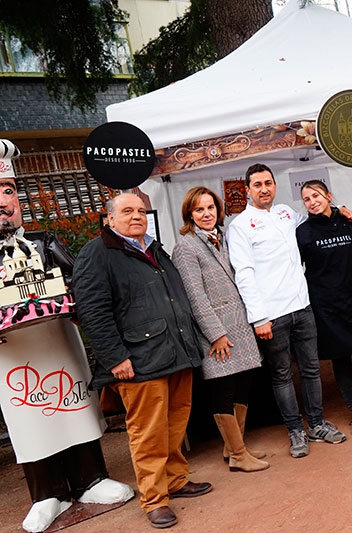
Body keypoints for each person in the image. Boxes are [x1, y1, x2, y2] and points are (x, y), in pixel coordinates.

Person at [0, 163, 134, 533]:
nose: (3, 202)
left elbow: (79, 282)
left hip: (59, 340)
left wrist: (75, 308)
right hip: (12, 354)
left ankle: (91, 479)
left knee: (73, 405)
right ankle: (46, 494)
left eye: (9, 190)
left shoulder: (44, 242)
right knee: (30, 422)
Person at [72, 193, 211, 530]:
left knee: (175, 424)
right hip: (137, 359)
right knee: (147, 433)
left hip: (175, 352)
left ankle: (175, 480)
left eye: (140, 211)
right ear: (110, 219)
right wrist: (115, 357)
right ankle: (155, 499)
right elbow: (92, 311)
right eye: (127, 211)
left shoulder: (153, 247)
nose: (136, 216)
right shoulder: (96, 253)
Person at [226, 164, 346, 458]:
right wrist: (258, 318)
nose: (264, 188)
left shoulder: (286, 214)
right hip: (272, 314)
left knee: (311, 369)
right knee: (281, 375)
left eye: (268, 182)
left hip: (302, 306)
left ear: (275, 186)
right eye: (258, 184)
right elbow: (243, 273)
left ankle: (316, 424)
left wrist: (342, 211)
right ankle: (295, 431)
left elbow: (316, 221)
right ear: (247, 190)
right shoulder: (240, 226)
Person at [171, 187, 269, 473]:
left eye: (211, 208)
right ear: (189, 213)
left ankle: (233, 447)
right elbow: (194, 296)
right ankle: (238, 455)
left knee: (242, 386)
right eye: (199, 209)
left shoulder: (224, 239)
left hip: (239, 324)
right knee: (224, 390)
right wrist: (216, 334)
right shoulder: (185, 247)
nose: (206, 214)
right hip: (217, 333)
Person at [296, 180, 352, 437]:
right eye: (307, 199)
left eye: (316, 196)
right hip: (326, 308)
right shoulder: (302, 232)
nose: (312, 202)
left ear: (328, 196)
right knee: (341, 361)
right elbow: (294, 269)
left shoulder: (349, 224)